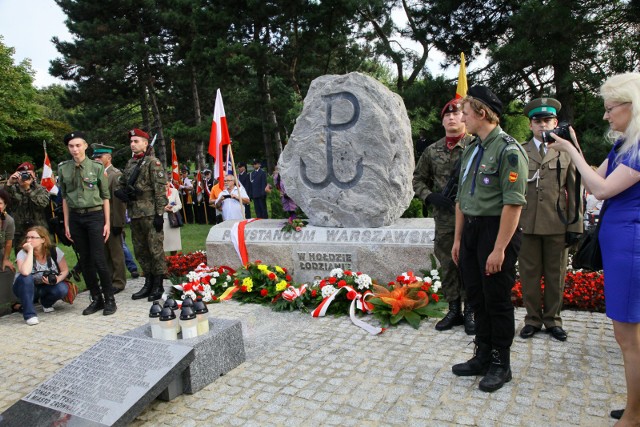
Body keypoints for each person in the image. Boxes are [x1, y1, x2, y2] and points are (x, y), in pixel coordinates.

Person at [547, 72, 640, 425]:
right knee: (627, 335)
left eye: (610, 108)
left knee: (628, 336)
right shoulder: (623, 146)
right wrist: (572, 147)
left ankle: (634, 415)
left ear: (632, 107)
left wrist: (570, 150)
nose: (606, 115)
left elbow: (600, 191)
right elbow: (595, 176)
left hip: (631, 243)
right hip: (619, 241)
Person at [450, 86, 528, 392]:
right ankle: (482, 354)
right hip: (470, 230)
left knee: (496, 299)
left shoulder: (508, 150)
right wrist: (458, 239)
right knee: (476, 296)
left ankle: (500, 363)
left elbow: (514, 204)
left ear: (481, 113)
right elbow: (461, 197)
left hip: (496, 231)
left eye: (466, 113)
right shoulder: (472, 147)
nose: (461, 118)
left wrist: (499, 249)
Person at [518, 98, 583, 342]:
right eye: (538, 121)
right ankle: (533, 319)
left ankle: (553, 320)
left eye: (548, 120)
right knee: (529, 275)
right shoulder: (521, 152)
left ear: (555, 123)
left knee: (556, 276)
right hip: (527, 224)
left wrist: (575, 225)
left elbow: (575, 191)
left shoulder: (566, 152)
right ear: (531, 124)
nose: (543, 125)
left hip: (557, 223)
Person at [413, 99, 475, 334]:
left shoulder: (475, 145)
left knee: (469, 263)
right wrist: (430, 197)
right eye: (446, 115)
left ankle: (470, 310)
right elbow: (417, 179)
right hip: (445, 218)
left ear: (464, 118)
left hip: (471, 216)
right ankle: (453, 309)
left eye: (457, 114)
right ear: (442, 121)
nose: (451, 118)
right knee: (448, 264)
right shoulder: (432, 150)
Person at [58, 131, 116, 316]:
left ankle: (110, 299)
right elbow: (65, 198)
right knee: (85, 260)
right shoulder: (63, 169)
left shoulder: (97, 167)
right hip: (76, 218)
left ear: (85, 146)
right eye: (71, 146)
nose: (74, 149)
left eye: (78, 145)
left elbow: (105, 197)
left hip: (95, 216)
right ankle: (96, 298)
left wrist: (107, 223)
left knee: (99, 259)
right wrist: (66, 224)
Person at [117, 128, 168, 302]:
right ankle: (148, 281)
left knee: (155, 249)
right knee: (141, 250)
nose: (133, 144)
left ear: (146, 144)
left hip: (151, 213)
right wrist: (121, 193)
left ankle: (159, 284)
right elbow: (122, 183)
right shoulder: (131, 163)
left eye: (136, 141)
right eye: (131, 141)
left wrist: (160, 214)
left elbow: (160, 191)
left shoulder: (153, 163)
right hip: (135, 213)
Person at [13, 226, 70, 325]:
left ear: (43, 240)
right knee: (27, 278)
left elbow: (65, 270)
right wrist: (30, 251)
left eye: (33, 237)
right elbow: (25, 272)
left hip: (45, 287)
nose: (29, 240)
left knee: (62, 288)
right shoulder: (22, 253)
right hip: (25, 288)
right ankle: (30, 315)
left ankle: (45, 303)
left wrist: (57, 279)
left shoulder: (54, 251)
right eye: (27, 237)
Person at [92, 144, 127, 294]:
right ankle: (108, 280)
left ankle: (118, 282)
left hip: (112, 219)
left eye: (99, 157)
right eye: (94, 157)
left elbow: (118, 202)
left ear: (109, 157)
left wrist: (118, 223)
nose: (96, 159)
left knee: (116, 253)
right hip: (98, 220)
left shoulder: (115, 175)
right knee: (103, 253)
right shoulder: (95, 174)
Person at [2, 162, 50, 255]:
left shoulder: (40, 189)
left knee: (41, 256)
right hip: (20, 231)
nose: (26, 176)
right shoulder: (12, 189)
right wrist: (9, 183)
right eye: (23, 173)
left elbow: (42, 204)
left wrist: (28, 189)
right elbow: (3, 201)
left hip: (38, 230)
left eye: (29, 173)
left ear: (34, 175)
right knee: (21, 257)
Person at [163, 181, 182, 255]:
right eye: (164, 183)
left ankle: (174, 261)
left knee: (174, 243)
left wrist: (173, 209)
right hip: (162, 219)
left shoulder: (174, 191)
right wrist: (164, 208)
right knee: (163, 242)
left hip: (173, 218)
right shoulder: (157, 192)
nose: (166, 184)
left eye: (167, 182)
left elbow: (179, 205)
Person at [0, 189, 16, 272]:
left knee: (8, 270)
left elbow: (8, 243)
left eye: (0, 203)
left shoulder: (9, 221)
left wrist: (5, 259)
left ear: (5, 205)